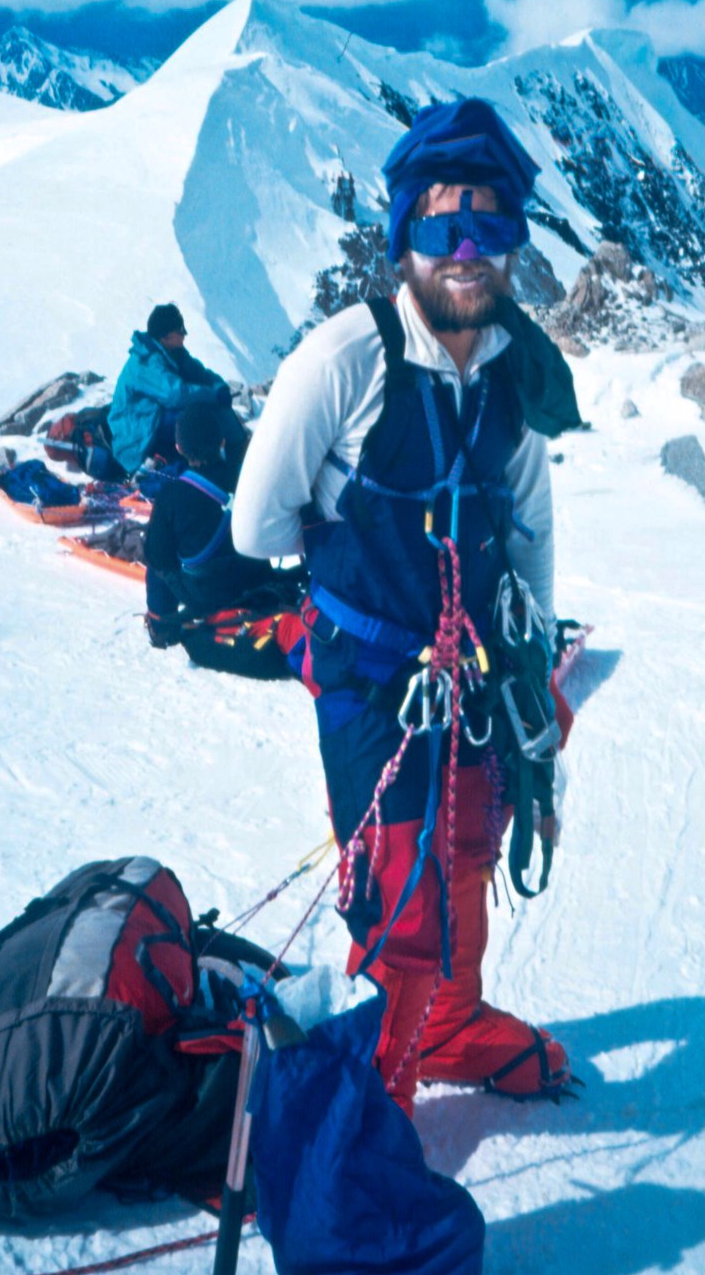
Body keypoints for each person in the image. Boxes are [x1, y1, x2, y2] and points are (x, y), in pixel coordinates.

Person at [233, 98, 581, 1115]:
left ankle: (452, 1026)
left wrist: (536, 674)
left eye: (492, 227)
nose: (468, 251)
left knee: (468, 849)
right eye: (442, 228)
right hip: (368, 682)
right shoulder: (351, 357)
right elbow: (259, 523)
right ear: (406, 240)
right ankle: (372, 1100)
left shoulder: (513, 372)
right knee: (400, 891)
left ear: (516, 239)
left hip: (469, 678)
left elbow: (528, 531)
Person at [144, 402, 306, 677]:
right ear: (221, 441)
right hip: (257, 581)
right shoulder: (249, 479)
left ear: (179, 447)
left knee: (158, 563)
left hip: (205, 595)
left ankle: (161, 626)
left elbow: (157, 556)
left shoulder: (172, 494)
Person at [108, 303, 243, 477]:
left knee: (207, 411)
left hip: (154, 419)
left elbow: (201, 374)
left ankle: (235, 458)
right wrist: (213, 395)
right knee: (195, 419)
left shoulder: (174, 353)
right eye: (180, 330)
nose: (184, 334)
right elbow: (175, 394)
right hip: (137, 433)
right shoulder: (146, 361)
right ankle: (219, 467)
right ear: (165, 336)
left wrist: (219, 388)